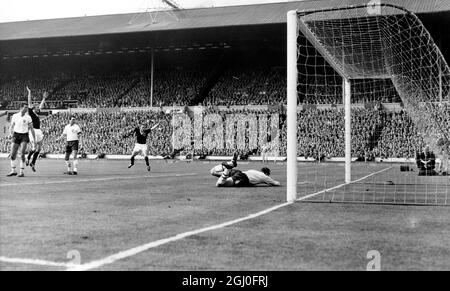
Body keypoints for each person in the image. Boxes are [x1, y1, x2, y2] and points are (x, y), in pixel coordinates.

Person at [211, 153, 280, 187]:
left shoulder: (254, 171)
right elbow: (276, 183)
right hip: (242, 177)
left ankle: (230, 163)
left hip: (240, 172)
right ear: (266, 173)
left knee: (213, 171)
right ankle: (227, 169)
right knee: (219, 184)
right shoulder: (265, 177)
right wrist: (267, 183)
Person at [7, 103, 35, 177]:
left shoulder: (28, 117)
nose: (26, 109)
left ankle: (21, 172)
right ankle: (13, 171)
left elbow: (32, 129)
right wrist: (10, 133)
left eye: (27, 108)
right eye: (25, 107)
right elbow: (11, 126)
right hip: (16, 135)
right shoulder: (15, 116)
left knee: (22, 153)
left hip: (24, 135)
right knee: (13, 155)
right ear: (21, 108)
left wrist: (34, 139)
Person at [25, 86, 47, 172]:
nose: (39, 108)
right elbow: (29, 102)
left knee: (39, 148)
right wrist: (29, 92)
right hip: (33, 131)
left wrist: (44, 98)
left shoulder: (37, 114)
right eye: (37, 107)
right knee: (34, 148)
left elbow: (41, 105)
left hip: (39, 131)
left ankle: (33, 163)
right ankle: (28, 157)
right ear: (34, 108)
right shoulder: (31, 112)